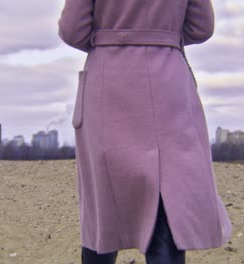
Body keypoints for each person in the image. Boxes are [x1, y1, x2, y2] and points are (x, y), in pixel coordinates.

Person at [58, 0, 232, 263]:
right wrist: (161, 35)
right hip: (168, 81)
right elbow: (201, 26)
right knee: (167, 203)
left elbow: (72, 29)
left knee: (103, 204)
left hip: (109, 82)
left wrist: (112, 38)